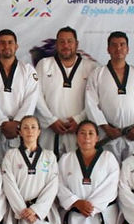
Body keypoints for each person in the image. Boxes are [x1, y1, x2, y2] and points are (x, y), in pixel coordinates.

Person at [85, 31, 134, 162]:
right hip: (107, 136)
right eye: (114, 45)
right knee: (108, 171)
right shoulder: (97, 74)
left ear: (127, 49)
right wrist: (106, 128)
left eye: (122, 45)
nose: (118, 48)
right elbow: (91, 104)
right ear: (108, 49)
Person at [36, 27, 96, 157]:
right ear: (56, 44)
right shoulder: (44, 65)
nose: (66, 45)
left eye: (70, 41)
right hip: (49, 130)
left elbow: (95, 99)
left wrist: (79, 119)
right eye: (62, 42)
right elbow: (36, 96)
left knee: (76, 166)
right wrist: (50, 120)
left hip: (78, 130)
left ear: (77, 44)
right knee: (47, 166)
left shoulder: (91, 67)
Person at [0, 29, 40, 161]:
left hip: (20, 131)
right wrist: (2, 123)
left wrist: (18, 123)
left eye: (10, 42)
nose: (6, 46)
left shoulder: (28, 70)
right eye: (2, 43)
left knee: (20, 167)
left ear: (16, 46)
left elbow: (31, 98)